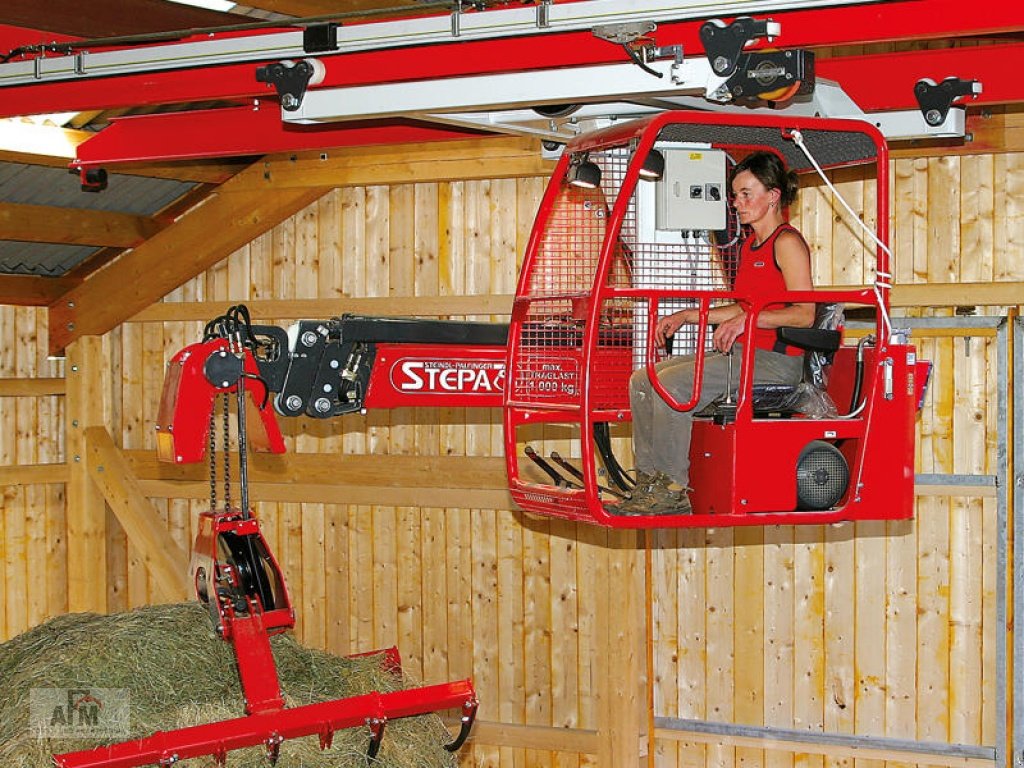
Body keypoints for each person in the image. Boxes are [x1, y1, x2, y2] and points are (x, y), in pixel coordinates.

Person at [620, 151, 815, 514]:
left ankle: (672, 490)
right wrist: (690, 315)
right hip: (742, 355)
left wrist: (749, 320)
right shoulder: (748, 247)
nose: (737, 203)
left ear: (772, 196)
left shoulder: (786, 243)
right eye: (735, 195)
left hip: (775, 361)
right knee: (643, 379)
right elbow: (746, 306)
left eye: (745, 194)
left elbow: (804, 314)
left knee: (675, 386)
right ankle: (648, 485)